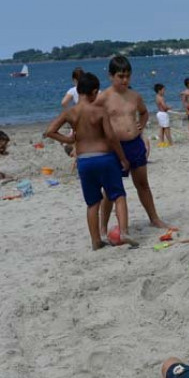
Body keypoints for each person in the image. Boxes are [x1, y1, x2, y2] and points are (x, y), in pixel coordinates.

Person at [45, 72, 137, 250]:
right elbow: (111, 137)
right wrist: (123, 158)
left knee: (93, 203)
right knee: (118, 195)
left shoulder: (70, 113)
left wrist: (69, 140)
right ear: (94, 92)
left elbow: (50, 131)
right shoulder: (100, 111)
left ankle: (96, 240)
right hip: (105, 158)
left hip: (84, 161)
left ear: (78, 90)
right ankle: (124, 231)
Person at [95, 55, 176, 233]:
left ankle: (154, 219)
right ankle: (102, 227)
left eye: (127, 76)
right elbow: (92, 120)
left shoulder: (134, 96)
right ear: (111, 76)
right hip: (115, 148)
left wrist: (141, 126)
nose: (124, 80)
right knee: (110, 190)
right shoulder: (103, 98)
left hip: (135, 145)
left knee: (142, 184)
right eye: (120, 76)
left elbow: (144, 113)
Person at [60, 67, 85, 158]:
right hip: (89, 117)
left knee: (69, 140)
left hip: (77, 119)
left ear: (74, 79)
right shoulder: (89, 88)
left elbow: (63, 103)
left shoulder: (73, 90)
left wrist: (70, 111)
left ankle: (75, 156)